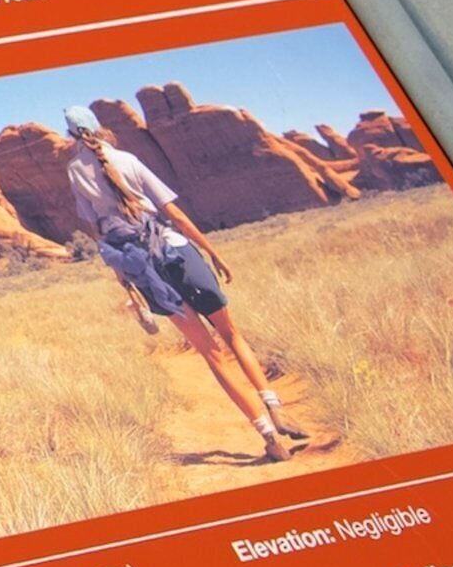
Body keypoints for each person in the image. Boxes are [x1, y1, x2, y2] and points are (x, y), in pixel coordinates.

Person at [62, 106, 301, 461]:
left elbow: (99, 232)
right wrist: (212, 252)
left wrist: (125, 282)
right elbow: (172, 212)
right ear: (98, 129)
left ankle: (269, 440)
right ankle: (275, 406)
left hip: (143, 267)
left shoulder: (74, 172)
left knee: (212, 353)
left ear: (71, 135)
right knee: (233, 336)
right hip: (176, 251)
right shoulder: (127, 159)